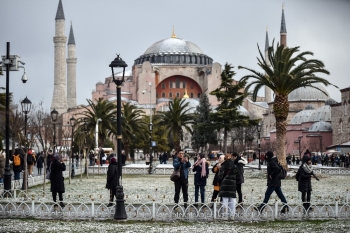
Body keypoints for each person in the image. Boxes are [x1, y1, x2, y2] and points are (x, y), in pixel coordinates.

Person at [218, 154, 238, 221]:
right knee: (232, 200)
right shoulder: (234, 166)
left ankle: (225, 215)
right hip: (233, 185)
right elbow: (237, 175)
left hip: (225, 185)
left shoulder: (223, 166)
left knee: (225, 201)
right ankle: (232, 215)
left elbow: (219, 177)